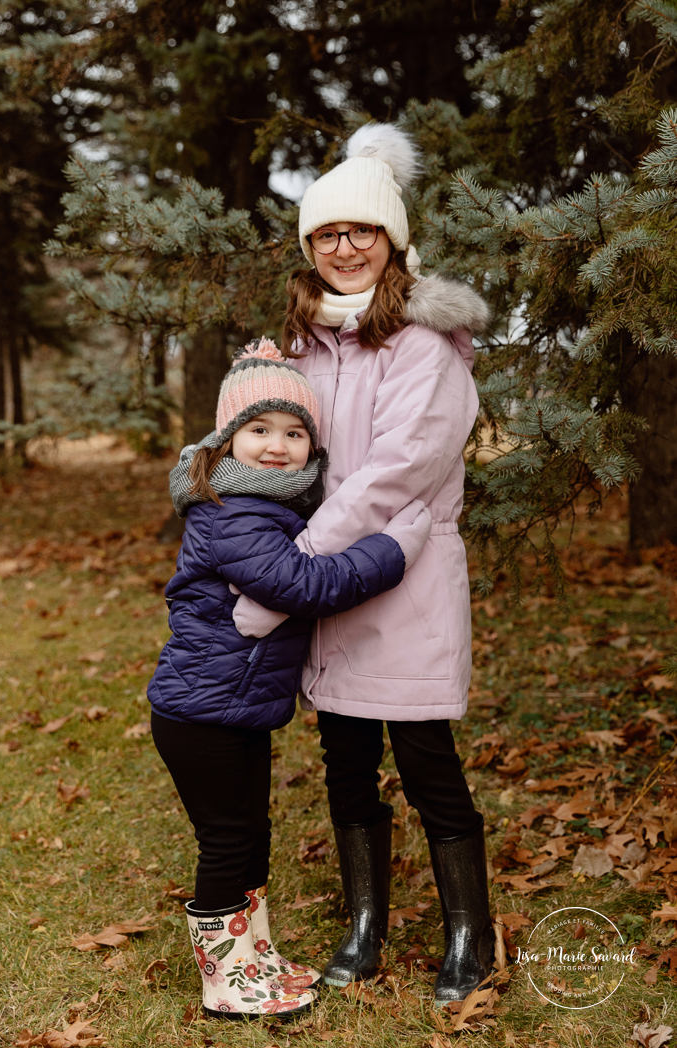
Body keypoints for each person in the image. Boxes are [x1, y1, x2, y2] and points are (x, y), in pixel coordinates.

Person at [227, 123, 496, 1007]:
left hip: (403, 579)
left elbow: (391, 477)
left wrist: (289, 571)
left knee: (425, 761)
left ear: (393, 241)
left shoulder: (425, 348)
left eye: (363, 232)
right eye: (328, 234)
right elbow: (281, 454)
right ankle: (364, 927)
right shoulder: (303, 343)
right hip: (326, 591)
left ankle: (469, 935)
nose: (345, 248)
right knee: (345, 759)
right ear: (310, 246)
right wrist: (252, 393)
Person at [149, 339, 431, 1019]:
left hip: (233, 709)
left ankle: (252, 957)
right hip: (200, 715)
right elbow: (301, 582)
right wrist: (390, 550)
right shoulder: (231, 512)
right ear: (226, 441)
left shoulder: (273, 507)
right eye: (258, 430)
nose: (277, 446)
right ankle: (225, 981)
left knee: (251, 831)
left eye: (294, 432)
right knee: (226, 838)